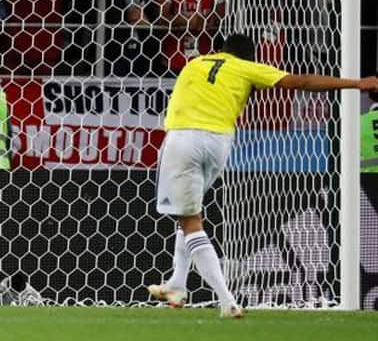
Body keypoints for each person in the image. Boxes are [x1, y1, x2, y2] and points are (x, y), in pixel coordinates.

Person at [147, 33, 378, 318]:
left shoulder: (194, 64)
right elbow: (302, 81)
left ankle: (226, 300)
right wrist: (357, 84)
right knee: (191, 214)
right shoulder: (247, 68)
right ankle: (177, 285)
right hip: (220, 142)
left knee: (189, 219)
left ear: (220, 50)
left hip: (183, 137)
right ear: (249, 57)